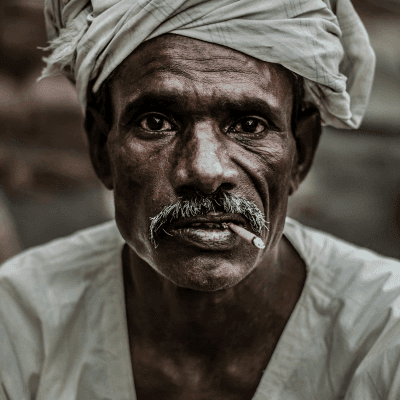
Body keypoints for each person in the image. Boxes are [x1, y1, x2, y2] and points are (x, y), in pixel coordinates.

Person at [1, 0, 399, 399]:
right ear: (102, 149)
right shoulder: (20, 322)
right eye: (156, 123)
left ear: (302, 153)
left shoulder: (386, 333)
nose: (205, 172)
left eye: (249, 125)